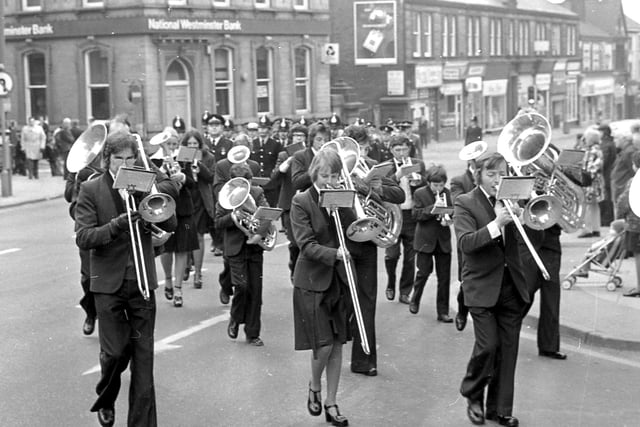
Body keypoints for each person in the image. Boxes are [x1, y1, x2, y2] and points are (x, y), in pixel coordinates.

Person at [75, 131, 177, 427]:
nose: (124, 163)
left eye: (130, 157)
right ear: (108, 158)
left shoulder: (143, 184)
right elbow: (84, 237)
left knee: (144, 362)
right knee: (115, 353)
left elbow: (169, 220)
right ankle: (106, 398)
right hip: (108, 284)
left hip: (143, 281)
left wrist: (155, 192)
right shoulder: (91, 189)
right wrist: (117, 225)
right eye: (118, 158)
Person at [454, 152, 529, 427]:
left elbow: (528, 238)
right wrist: (497, 224)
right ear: (479, 176)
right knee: (488, 346)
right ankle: (472, 393)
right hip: (482, 285)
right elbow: (466, 244)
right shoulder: (465, 202)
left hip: (510, 285)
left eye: (501, 173)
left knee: (508, 350)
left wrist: (522, 216)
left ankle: (499, 409)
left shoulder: (512, 200)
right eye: (491, 174)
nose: (497, 180)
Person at [290, 149, 353, 427]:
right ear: (315, 172)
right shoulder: (301, 201)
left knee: (338, 343)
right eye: (325, 175)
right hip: (312, 281)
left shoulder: (341, 197)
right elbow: (305, 243)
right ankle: (314, 386)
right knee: (324, 344)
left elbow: (354, 231)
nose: (329, 180)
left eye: (335, 175)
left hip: (337, 280)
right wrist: (335, 254)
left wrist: (346, 209)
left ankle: (332, 402)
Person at [342, 124, 404, 377]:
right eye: (356, 147)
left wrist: (373, 188)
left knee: (367, 301)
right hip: (341, 239)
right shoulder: (334, 167)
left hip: (367, 240)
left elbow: (398, 194)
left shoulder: (372, 167)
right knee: (344, 299)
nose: (362, 152)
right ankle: (344, 332)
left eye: (365, 147)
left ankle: (364, 360)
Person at [216, 163, 268, 346]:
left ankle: (253, 333)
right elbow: (218, 222)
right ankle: (235, 318)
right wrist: (232, 216)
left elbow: (267, 216)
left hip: (254, 247)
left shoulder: (257, 193)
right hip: (235, 248)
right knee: (242, 287)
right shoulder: (225, 195)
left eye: (247, 183)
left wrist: (258, 227)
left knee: (255, 291)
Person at [213, 133, 261, 304]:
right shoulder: (222, 165)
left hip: (248, 212)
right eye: (238, 145)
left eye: (245, 146)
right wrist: (232, 194)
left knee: (242, 272)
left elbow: (257, 187)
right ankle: (225, 286)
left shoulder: (254, 165)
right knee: (229, 260)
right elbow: (218, 187)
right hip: (229, 207)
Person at [384, 134, 427, 304]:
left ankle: (405, 291)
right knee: (392, 255)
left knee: (410, 257)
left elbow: (426, 186)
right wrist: (397, 175)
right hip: (394, 215)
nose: (401, 153)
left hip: (411, 215)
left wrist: (418, 179)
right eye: (397, 150)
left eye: (404, 149)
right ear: (391, 150)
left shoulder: (418, 164)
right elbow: (383, 186)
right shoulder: (386, 166)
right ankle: (390, 283)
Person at [157, 131, 197, 307]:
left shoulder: (185, 157)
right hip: (165, 208)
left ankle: (178, 288)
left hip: (184, 208)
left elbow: (193, 183)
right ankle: (167, 279)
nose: (171, 147)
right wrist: (162, 171)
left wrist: (183, 176)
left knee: (182, 249)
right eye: (168, 144)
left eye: (174, 144)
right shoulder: (155, 160)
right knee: (166, 248)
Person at [410, 164, 453, 322]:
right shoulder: (420, 193)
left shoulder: (447, 193)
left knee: (444, 278)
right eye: (435, 185)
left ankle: (442, 312)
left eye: (442, 185)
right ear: (429, 182)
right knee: (423, 273)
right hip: (425, 240)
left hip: (442, 240)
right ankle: (415, 299)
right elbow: (416, 214)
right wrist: (432, 209)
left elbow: (452, 210)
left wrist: (449, 218)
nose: (439, 189)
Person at [521, 224, 567, 360]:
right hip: (527, 239)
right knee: (525, 292)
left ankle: (549, 347)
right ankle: (505, 333)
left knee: (551, 295)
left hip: (551, 241)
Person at [271, 123, 308, 279]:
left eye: (301, 136)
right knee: (293, 241)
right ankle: (294, 266)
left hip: (307, 202)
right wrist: (288, 162)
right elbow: (274, 177)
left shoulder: (310, 154)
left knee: (307, 240)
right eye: (296, 136)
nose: (298, 139)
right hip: (289, 203)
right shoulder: (283, 155)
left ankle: (304, 270)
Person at [182, 129, 216, 289]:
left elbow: (211, 177)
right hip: (187, 198)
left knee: (198, 235)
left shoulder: (208, 157)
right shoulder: (181, 156)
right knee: (186, 233)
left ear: (200, 144)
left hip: (201, 199)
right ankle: (188, 263)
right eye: (189, 144)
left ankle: (198, 273)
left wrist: (199, 166)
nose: (192, 146)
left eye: (195, 143)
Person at [450, 156, 479, 331]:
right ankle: (462, 310)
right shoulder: (458, 181)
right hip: (468, 234)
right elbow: (458, 201)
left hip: (491, 232)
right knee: (466, 279)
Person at [616, 151, 640, 298]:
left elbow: (624, 202)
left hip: (636, 225)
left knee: (638, 256)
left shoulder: (634, 181)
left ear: (635, 165)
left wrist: (619, 215)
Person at [250, 114, 282, 208]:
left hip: (270, 183)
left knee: (270, 209)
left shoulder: (275, 144)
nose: (262, 131)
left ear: (269, 129)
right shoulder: (253, 143)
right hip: (256, 182)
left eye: (265, 128)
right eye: (260, 128)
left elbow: (279, 161)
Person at [578, 127, 604, 238]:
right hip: (597, 182)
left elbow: (588, 168)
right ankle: (596, 228)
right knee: (594, 206)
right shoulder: (598, 150)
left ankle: (587, 229)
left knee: (586, 205)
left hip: (589, 182)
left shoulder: (590, 151)